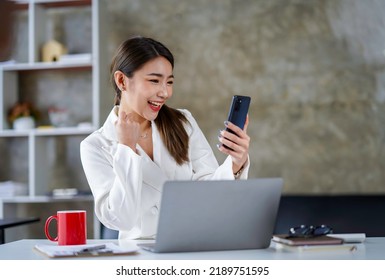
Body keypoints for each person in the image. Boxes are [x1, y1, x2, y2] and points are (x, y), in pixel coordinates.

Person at [80, 36, 250, 240]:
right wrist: (126, 149)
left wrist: (235, 163)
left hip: (196, 243)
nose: (165, 92)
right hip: (140, 256)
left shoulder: (183, 122)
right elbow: (120, 219)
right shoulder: (95, 145)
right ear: (122, 80)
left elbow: (210, 193)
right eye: (154, 81)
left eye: (169, 82)